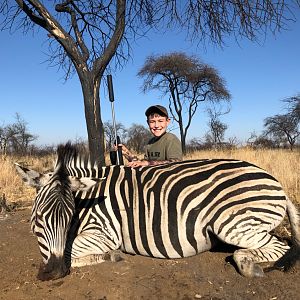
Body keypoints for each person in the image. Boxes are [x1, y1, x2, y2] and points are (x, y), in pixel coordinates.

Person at [118, 105, 183, 167]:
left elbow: (176, 163)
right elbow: (141, 163)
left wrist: (148, 163)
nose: (156, 125)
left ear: (167, 122)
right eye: (152, 122)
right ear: (148, 123)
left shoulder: (171, 139)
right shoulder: (150, 142)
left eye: (160, 121)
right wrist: (126, 152)